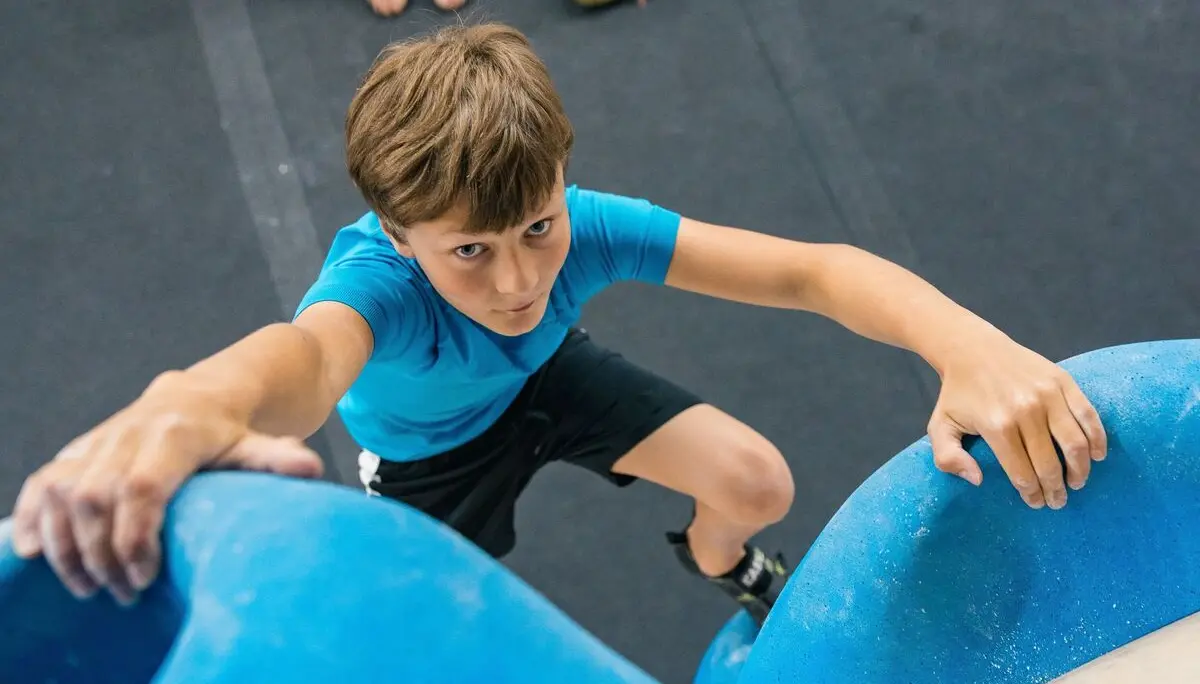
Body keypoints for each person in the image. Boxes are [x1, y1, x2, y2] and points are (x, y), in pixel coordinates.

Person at [10, 23, 1106, 626]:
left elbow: (812, 272)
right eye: (468, 252)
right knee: (438, 624)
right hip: (435, 462)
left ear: (561, 181)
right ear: (399, 235)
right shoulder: (374, 290)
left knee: (758, 483)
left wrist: (966, 342)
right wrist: (191, 402)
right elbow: (298, 362)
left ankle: (725, 569)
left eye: (535, 228)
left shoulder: (581, 228)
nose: (515, 281)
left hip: (546, 385)